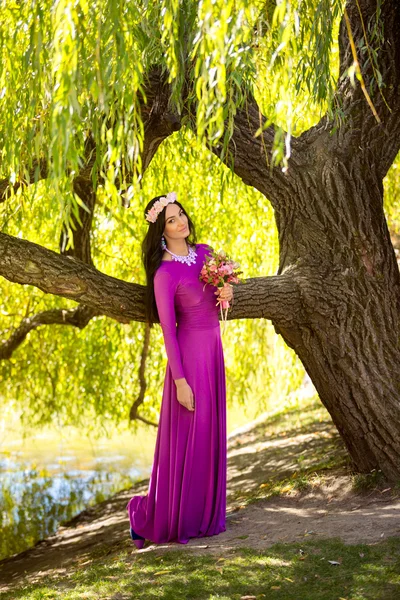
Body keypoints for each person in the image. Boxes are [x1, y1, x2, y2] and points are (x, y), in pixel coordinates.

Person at [126, 191, 233, 548]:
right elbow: (168, 331)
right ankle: (163, 518)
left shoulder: (204, 252)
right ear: (161, 229)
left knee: (209, 432)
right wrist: (180, 381)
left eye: (181, 214)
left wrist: (227, 292)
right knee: (190, 435)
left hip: (213, 352)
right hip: (188, 359)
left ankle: (207, 514)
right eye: (171, 219)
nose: (180, 221)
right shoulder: (164, 273)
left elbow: (219, 292)